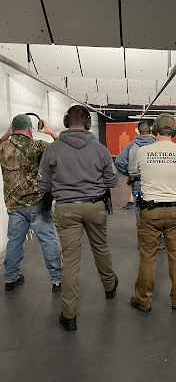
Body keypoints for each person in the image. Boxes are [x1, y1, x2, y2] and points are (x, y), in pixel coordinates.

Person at [37, 105, 118, 331]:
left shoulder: (52, 150)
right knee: (100, 248)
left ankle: (69, 314)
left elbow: (43, 184)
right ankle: (110, 287)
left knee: (70, 260)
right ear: (88, 123)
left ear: (65, 121)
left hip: (65, 209)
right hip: (94, 207)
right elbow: (112, 181)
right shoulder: (100, 149)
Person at [130, 113, 176, 312]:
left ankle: (143, 300)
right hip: (175, 211)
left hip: (150, 212)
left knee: (147, 257)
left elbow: (136, 172)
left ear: (155, 130)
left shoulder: (142, 151)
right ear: (173, 131)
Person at [0, 114, 61, 292]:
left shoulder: (3, 147)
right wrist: (50, 132)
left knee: (14, 242)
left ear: (12, 129)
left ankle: (10, 278)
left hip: (13, 205)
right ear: (30, 129)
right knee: (48, 240)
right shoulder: (38, 146)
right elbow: (62, 149)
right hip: (37, 203)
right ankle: (57, 279)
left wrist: (6, 134)